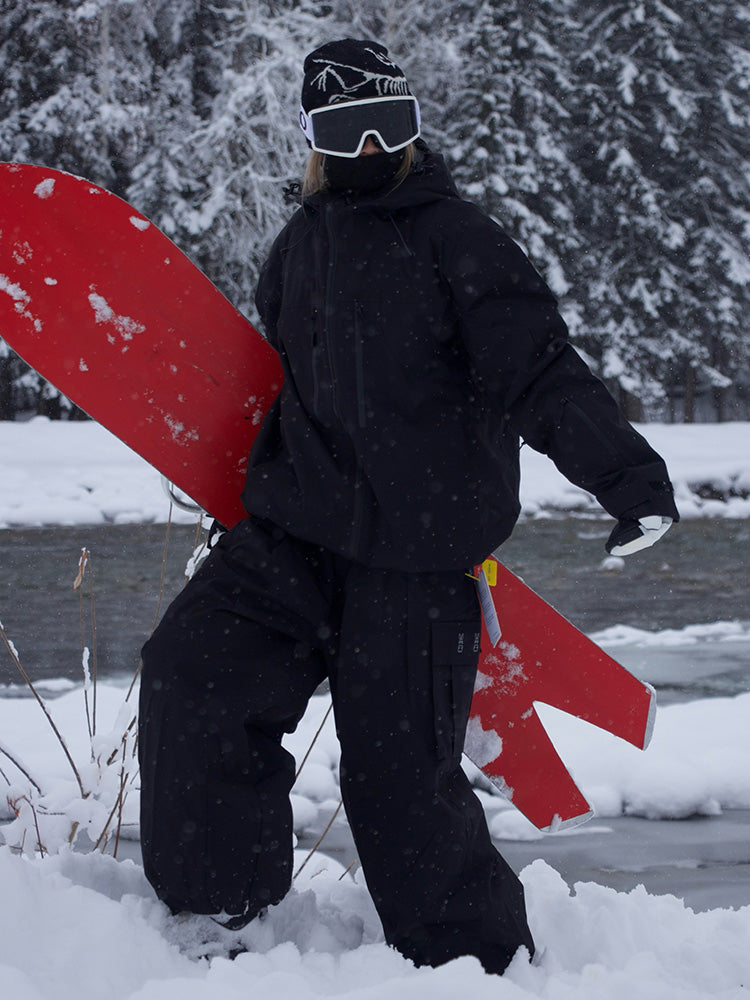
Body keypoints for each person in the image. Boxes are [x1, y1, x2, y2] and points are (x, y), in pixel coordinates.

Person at [138, 38, 679, 975]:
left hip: (418, 556)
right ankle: (222, 910)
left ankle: (473, 968)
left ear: (415, 129)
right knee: (192, 672)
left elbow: (540, 370)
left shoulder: (458, 239)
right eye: (350, 129)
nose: (373, 147)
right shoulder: (298, 246)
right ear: (315, 138)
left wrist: (629, 481)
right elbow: (291, 387)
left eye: (391, 124)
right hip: (293, 536)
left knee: (399, 778)